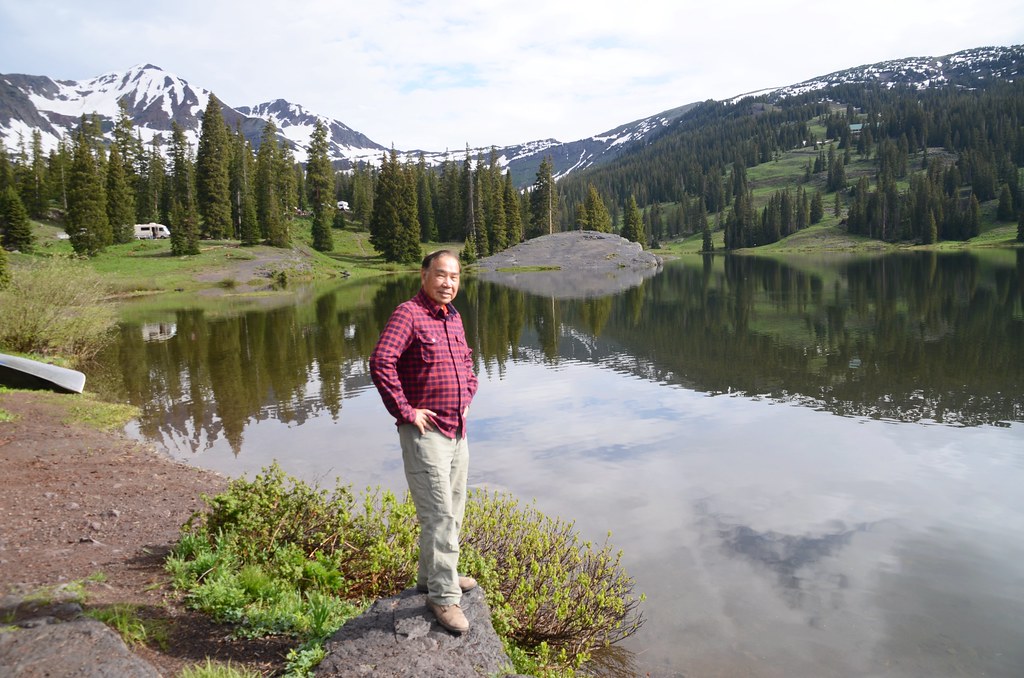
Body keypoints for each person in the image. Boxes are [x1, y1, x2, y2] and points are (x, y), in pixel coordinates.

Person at [369, 249, 479, 634]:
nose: (448, 283)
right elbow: (381, 361)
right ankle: (444, 596)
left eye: (454, 277)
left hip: (456, 430)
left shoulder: (453, 317)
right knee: (439, 515)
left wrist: (468, 394)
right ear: (424, 275)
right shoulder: (408, 314)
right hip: (425, 434)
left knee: (453, 510)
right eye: (441, 275)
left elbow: (466, 361)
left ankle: (430, 578)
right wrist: (406, 411)